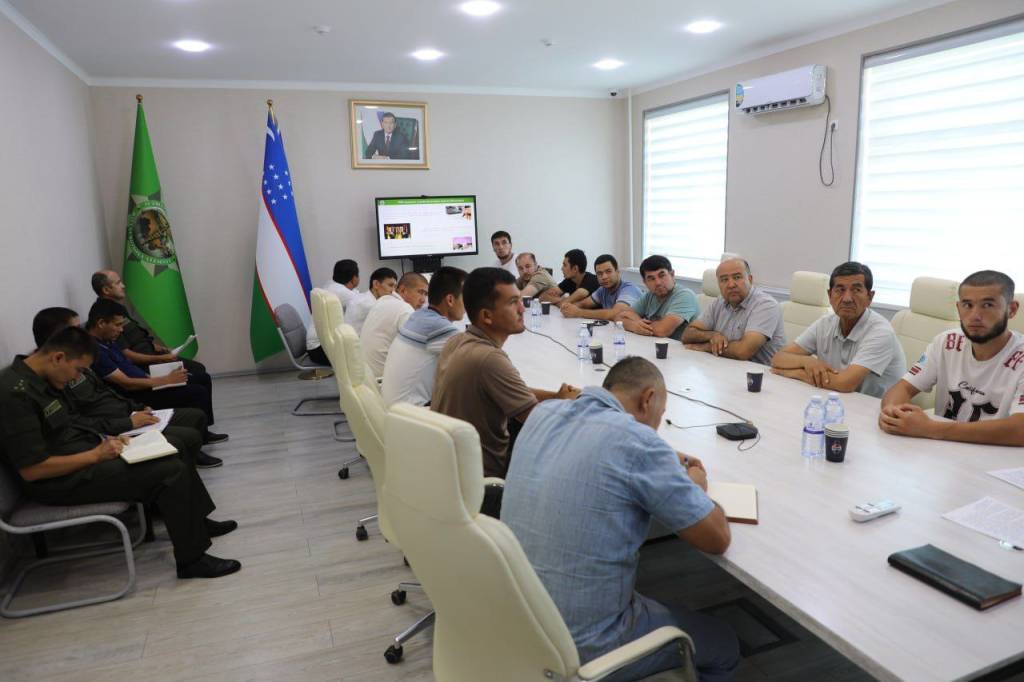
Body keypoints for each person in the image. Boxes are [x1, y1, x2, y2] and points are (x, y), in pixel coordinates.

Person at [502, 356, 738, 681]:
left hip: (519, 622)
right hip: (588, 644)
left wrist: (661, 455)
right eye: (660, 415)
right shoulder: (638, 443)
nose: (656, 426)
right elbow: (716, 539)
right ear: (648, 399)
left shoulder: (544, 414)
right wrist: (695, 485)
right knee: (725, 643)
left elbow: (603, 443)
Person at [0, 326, 241, 579]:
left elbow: (72, 426)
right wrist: (96, 454)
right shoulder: (14, 394)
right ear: (58, 357)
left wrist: (107, 439)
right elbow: (33, 470)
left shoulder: (42, 377)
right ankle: (192, 560)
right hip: (60, 481)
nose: (76, 379)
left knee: (171, 449)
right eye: (78, 370)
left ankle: (197, 523)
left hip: (87, 455)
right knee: (170, 470)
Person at [432, 267, 581, 478]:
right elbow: (541, 422)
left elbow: (513, 391)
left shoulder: (457, 341)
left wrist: (555, 396)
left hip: (452, 466)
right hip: (487, 476)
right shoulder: (489, 359)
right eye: (512, 303)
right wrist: (566, 403)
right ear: (486, 316)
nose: (522, 309)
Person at [32, 307, 223, 468]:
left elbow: (106, 391)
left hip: (125, 411)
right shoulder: (63, 372)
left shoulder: (90, 352)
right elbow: (85, 417)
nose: (81, 335)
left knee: (197, 395)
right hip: (116, 422)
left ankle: (195, 450)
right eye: (74, 330)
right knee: (188, 422)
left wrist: (136, 408)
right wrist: (128, 422)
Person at [880, 270, 1024, 446]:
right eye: (967, 305)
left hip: (996, 455)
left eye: (987, 305)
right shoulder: (946, 341)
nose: (975, 316)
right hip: (943, 448)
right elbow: (904, 388)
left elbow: (1020, 430)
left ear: (1012, 309)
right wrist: (893, 413)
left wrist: (930, 428)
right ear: (958, 308)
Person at [84, 299, 227, 443]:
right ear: (101, 323)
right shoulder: (95, 351)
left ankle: (204, 429)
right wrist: (166, 380)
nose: (121, 330)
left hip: (147, 380)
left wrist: (158, 376)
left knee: (202, 378)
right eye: (117, 325)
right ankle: (200, 437)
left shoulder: (107, 340)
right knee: (197, 392)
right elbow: (126, 383)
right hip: (138, 393)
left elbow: (128, 366)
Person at [771, 262, 905, 397]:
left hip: (877, 406)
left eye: (856, 290)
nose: (847, 299)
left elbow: (845, 383)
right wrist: (807, 361)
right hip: (836, 398)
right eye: (840, 290)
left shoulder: (881, 332)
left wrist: (794, 373)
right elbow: (778, 358)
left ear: (869, 297)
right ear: (830, 295)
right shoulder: (825, 323)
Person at [91, 270, 207, 375]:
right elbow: (126, 354)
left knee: (199, 370)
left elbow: (136, 339)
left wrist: (159, 348)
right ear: (106, 290)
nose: (123, 286)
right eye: (118, 283)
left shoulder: (118, 308)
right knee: (198, 372)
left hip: (152, 355)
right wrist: (160, 359)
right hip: (145, 364)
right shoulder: (107, 315)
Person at [381, 267, 467, 406]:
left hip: (393, 406)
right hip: (411, 412)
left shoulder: (418, 316)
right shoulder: (438, 326)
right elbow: (482, 360)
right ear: (450, 300)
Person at [682, 257, 785, 364]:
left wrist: (706, 347)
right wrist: (712, 335)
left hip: (760, 372)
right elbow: (687, 334)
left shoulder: (766, 305)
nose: (731, 285)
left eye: (737, 277)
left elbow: (743, 351)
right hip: (724, 366)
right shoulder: (719, 302)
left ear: (750, 280)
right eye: (724, 280)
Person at [360, 272, 429, 378]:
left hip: (366, 376)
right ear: (403, 290)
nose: (423, 300)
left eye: (426, 294)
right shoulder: (405, 309)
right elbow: (420, 352)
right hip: (382, 380)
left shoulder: (382, 301)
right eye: (420, 292)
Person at [616, 255, 698, 340]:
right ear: (645, 282)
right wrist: (634, 325)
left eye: (662, 275)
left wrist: (635, 323)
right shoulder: (650, 295)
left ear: (672, 275)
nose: (658, 282)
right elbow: (618, 317)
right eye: (651, 279)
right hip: (654, 344)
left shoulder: (685, 295)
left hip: (680, 347)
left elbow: (662, 331)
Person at [306, 259, 360, 365]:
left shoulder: (331, 285)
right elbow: (366, 306)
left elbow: (356, 295)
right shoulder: (343, 293)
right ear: (354, 278)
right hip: (321, 350)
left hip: (315, 347)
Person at [561, 253, 643, 320]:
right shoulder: (603, 290)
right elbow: (584, 303)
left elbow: (615, 313)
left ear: (617, 271)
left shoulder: (629, 289)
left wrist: (578, 312)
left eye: (608, 271)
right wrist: (569, 307)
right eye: (599, 273)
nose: (604, 277)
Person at [345, 267, 399, 336]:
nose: (393, 291)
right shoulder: (368, 305)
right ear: (376, 284)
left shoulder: (363, 298)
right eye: (390, 285)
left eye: (395, 287)